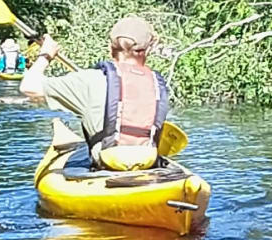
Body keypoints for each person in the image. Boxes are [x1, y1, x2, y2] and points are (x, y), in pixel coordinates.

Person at [22, 12, 174, 172]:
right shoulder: (156, 83)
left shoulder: (89, 80)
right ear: (148, 50)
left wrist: (46, 55)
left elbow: (29, 86)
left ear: (110, 48)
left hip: (109, 161)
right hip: (147, 160)